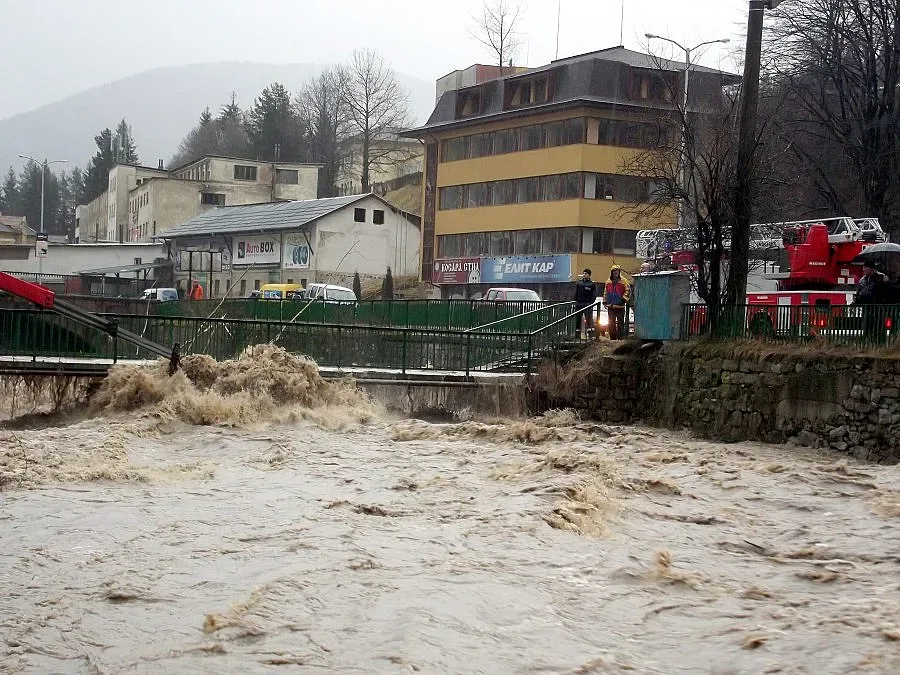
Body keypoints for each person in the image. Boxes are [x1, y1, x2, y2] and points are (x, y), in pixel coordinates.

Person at [603, 264, 631, 340]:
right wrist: (604, 301)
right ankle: (613, 339)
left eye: (617, 271)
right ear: (611, 272)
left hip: (620, 306)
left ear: (619, 271)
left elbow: (628, 291)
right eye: (614, 271)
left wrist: (624, 299)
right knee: (611, 324)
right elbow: (606, 292)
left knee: (620, 324)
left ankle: (620, 338)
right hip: (611, 306)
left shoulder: (624, 281)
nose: (615, 272)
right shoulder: (608, 281)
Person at [573, 268, 598, 339]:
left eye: (586, 273)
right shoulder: (579, 283)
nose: (584, 275)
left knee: (589, 319)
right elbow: (575, 293)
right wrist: (574, 301)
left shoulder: (592, 284)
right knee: (577, 319)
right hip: (579, 304)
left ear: (589, 275)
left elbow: (594, 294)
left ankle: (590, 334)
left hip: (587, 304)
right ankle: (577, 335)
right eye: (583, 273)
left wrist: (591, 302)